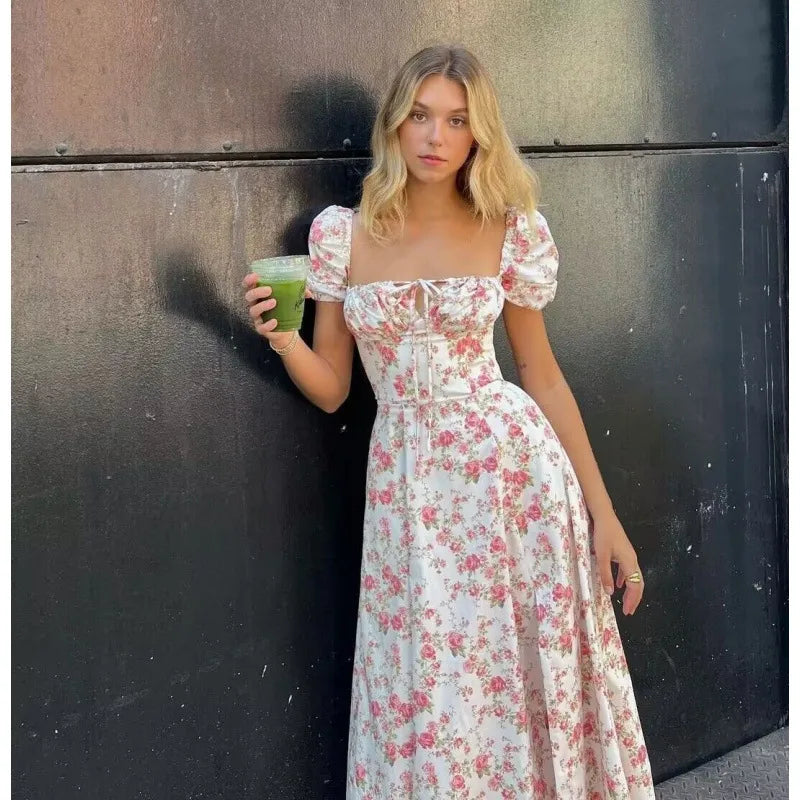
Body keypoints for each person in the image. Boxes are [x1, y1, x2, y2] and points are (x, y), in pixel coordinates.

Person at [243, 44, 654, 800]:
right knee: (432, 686)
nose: (436, 136)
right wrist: (281, 338)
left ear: (478, 134)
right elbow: (334, 389)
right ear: (395, 124)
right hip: (410, 492)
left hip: (513, 484)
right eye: (421, 115)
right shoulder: (342, 234)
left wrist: (605, 515)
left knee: (515, 679)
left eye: (458, 120)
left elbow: (542, 373)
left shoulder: (509, 229)